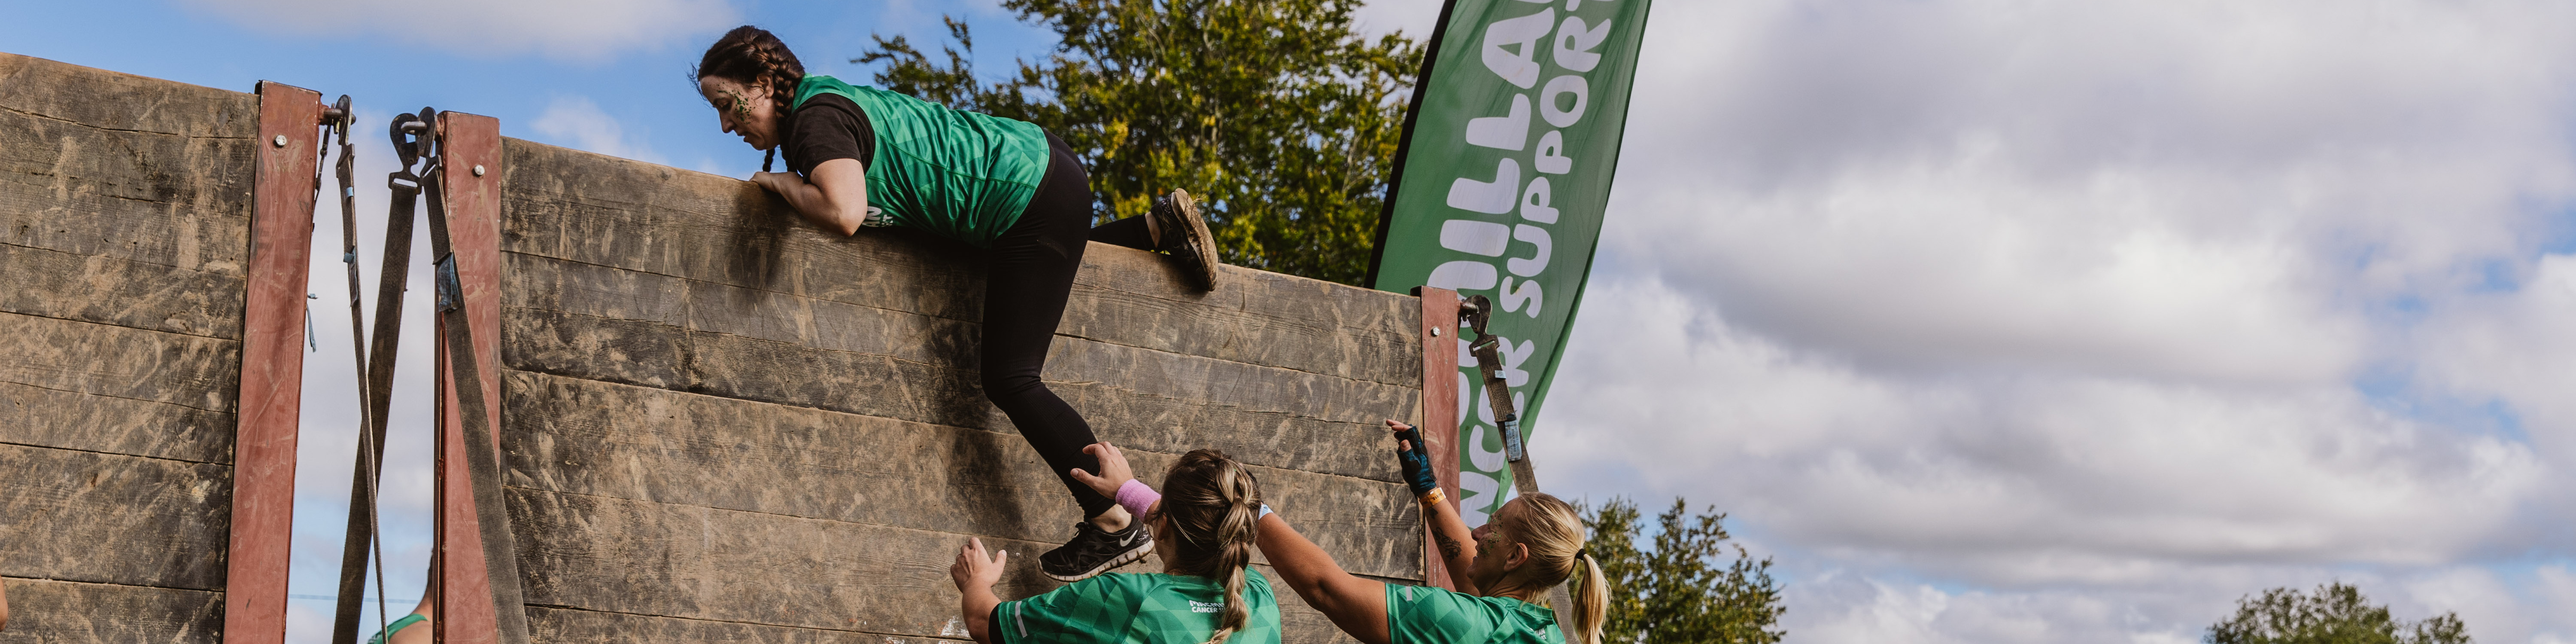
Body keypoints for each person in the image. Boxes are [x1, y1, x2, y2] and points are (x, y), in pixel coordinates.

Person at [694, 25, 1224, 581]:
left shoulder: (814, 121)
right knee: (1027, 272)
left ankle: (1115, 518)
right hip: (1040, 173)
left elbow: (844, 210)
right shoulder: (829, 102)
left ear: (763, 82)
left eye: (729, 106)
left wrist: (778, 185)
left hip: (1031, 195)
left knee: (1011, 377)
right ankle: (1155, 229)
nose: (727, 124)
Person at [1253, 420, 1607, 644]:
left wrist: (1250, 508)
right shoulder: (1542, 630)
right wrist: (1428, 489)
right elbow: (1482, 605)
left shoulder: (1464, 622)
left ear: (1515, 556)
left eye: (1493, 528)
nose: (1476, 532)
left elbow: (1328, 590)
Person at [950, 446, 1280, 644]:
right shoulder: (1260, 596)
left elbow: (984, 622)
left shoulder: (1126, 599)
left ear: (1162, 526)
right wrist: (1130, 492)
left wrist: (976, 580)